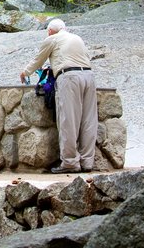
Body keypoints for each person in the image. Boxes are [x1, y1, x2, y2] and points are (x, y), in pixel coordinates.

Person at [19, 18, 97, 174]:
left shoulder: (52, 39)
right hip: (88, 76)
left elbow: (38, 60)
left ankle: (69, 162)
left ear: (49, 31)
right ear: (64, 28)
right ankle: (87, 162)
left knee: (68, 120)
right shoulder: (77, 38)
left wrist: (25, 72)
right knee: (89, 120)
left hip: (69, 78)